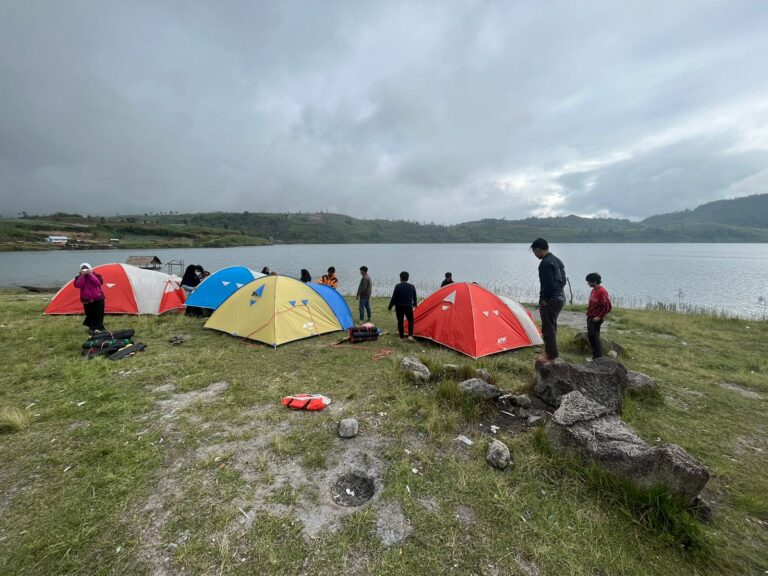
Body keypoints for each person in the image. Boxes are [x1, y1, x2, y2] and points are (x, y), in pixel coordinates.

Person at [531, 238, 567, 361]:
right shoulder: (557, 260)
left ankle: (550, 355)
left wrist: (544, 299)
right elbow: (563, 281)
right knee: (552, 325)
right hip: (561, 297)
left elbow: (548, 284)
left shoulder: (545, 263)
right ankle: (551, 350)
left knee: (547, 327)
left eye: (534, 252)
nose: (535, 255)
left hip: (551, 299)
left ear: (538, 249)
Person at [585, 273, 612, 359]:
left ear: (594, 282)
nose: (588, 283)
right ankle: (595, 356)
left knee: (594, 336)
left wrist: (599, 317)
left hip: (596, 318)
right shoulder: (593, 290)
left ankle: (598, 357)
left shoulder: (602, 291)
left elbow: (607, 306)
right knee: (590, 336)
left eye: (589, 282)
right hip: (590, 316)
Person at [74, 263, 105, 333]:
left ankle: (100, 327)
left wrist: (90, 275)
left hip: (98, 298)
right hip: (86, 299)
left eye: (87, 269)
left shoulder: (97, 276)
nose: (85, 270)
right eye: (83, 269)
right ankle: (92, 327)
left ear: (90, 269)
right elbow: (78, 285)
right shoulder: (78, 277)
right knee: (89, 314)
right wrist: (82, 276)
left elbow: (98, 283)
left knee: (99, 314)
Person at [388, 271, 418, 340]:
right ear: (408, 278)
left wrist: (390, 307)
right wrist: (415, 304)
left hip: (399, 306)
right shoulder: (412, 286)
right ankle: (410, 335)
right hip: (408, 306)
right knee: (410, 320)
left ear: (401, 278)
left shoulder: (398, 286)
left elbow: (394, 297)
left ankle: (401, 337)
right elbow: (414, 297)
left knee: (400, 321)